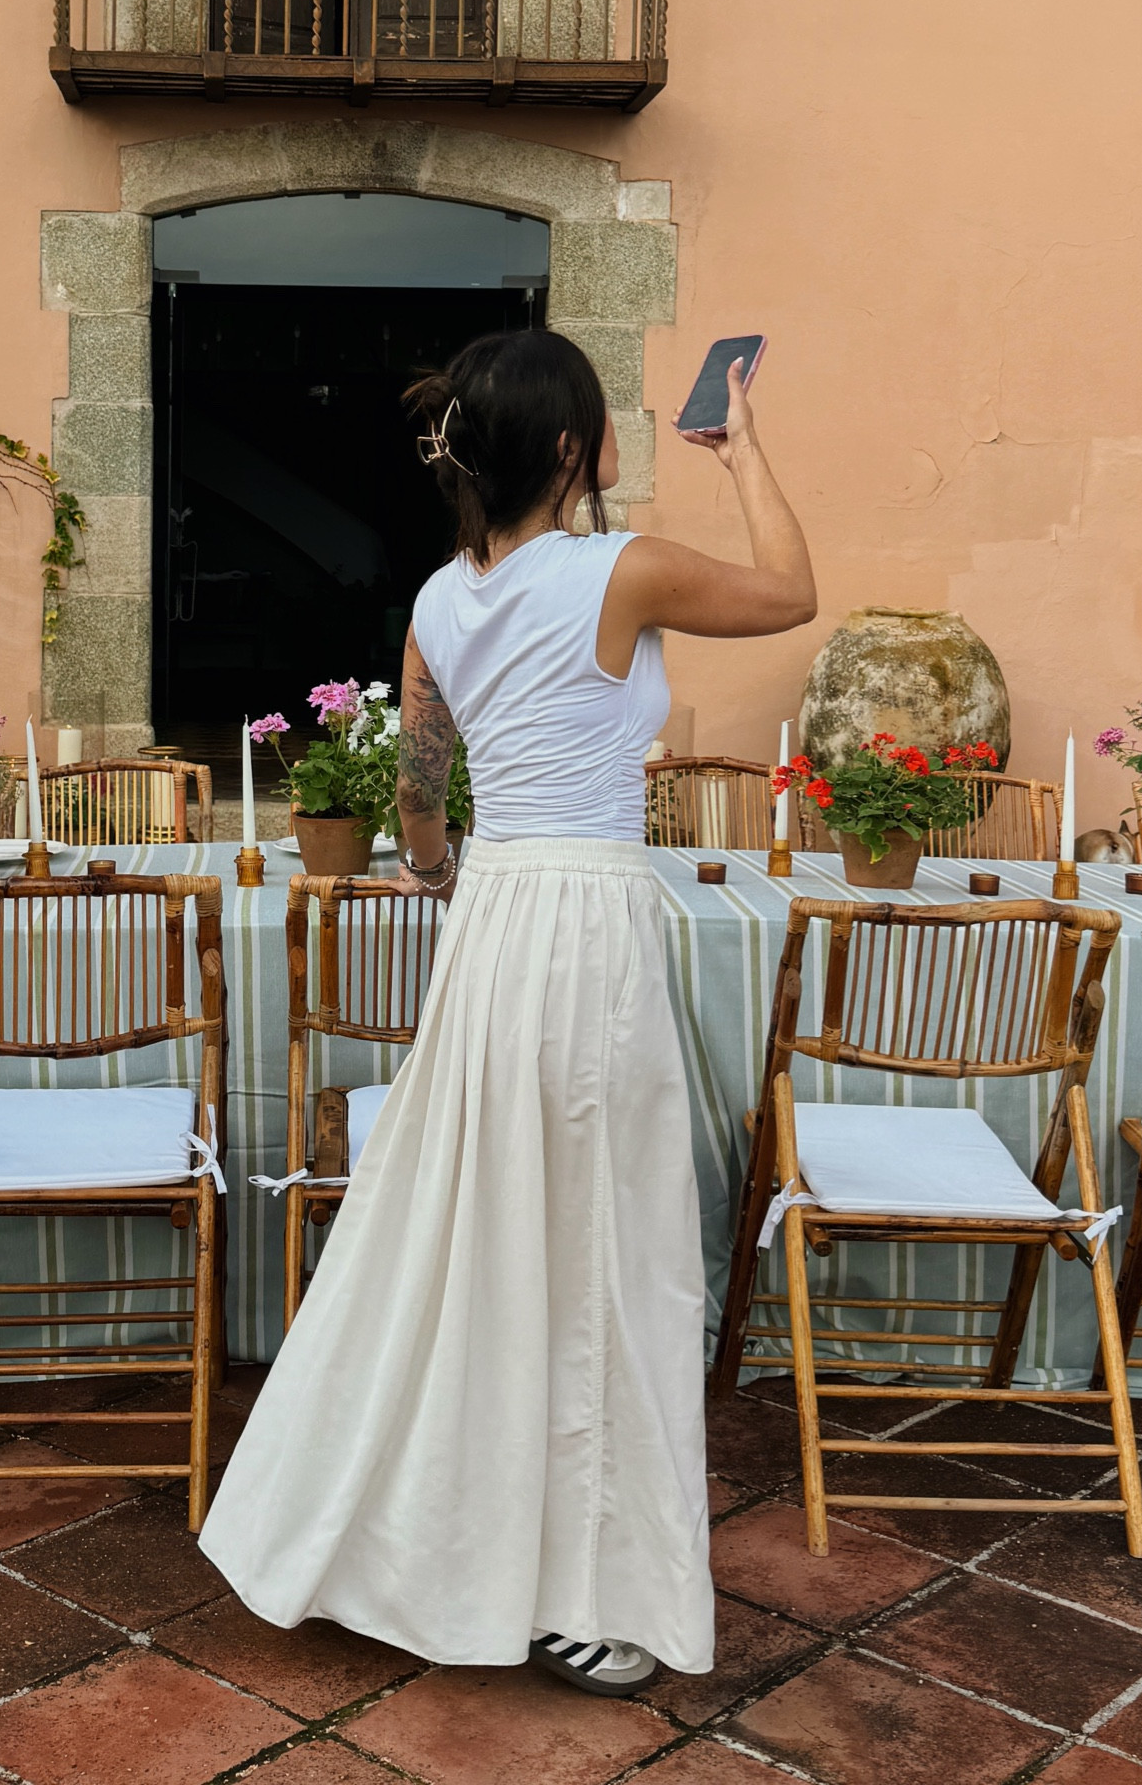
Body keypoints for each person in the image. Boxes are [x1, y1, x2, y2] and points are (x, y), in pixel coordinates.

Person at [200, 328, 816, 1694]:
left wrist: (440, 877)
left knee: (478, 1229)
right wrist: (745, 451)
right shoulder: (620, 564)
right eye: (597, 428)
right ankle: (578, 1593)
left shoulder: (435, 599)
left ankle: (426, 1545)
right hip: (587, 918)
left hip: (490, 920)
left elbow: (420, 794)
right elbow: (787, 596)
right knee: (600, 1248)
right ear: (563, 448)